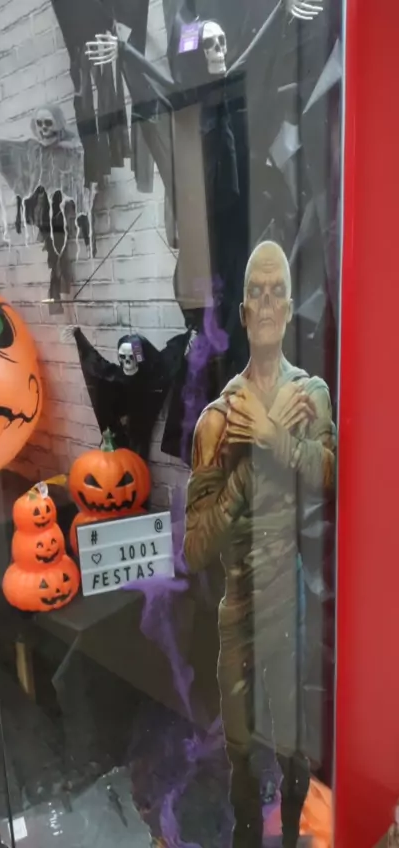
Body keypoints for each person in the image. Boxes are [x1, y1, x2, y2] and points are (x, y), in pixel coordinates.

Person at [184, 241, 335, 846]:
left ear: (290, 307)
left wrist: (276, 438)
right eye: (256, 293)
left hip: (290, 600)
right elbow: (195, 549)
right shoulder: (217, 420)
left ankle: (295, 831)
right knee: (241, 752)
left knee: (295, 745)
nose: (267, 304)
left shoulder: (308, 397)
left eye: (277, 293)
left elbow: (332, 473)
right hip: (238, 607)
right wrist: (247, 471)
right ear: (244, 312)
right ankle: (249, 832)